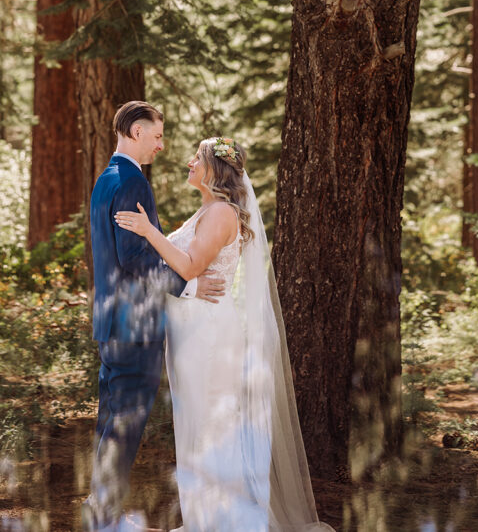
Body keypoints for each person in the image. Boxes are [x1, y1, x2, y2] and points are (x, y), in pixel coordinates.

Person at [115, 137, 333, 531]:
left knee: (211, 425)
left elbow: (191, 266)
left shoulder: (220, 214)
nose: (188, 161)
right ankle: (205, 518)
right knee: (197, 423)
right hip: (194, 328)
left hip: (209, 333)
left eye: (196, 158)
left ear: (214, 168)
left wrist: (148, 231)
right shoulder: (209, 209)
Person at [82, 101, 226, 532]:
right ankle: (105, 517)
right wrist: (190, 286)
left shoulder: (108, 178)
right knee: (124, 423)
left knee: (112, 419)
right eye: (158, 136)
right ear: (136, 132)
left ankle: (99, 505)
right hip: (134, 324)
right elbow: (134, 259)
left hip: (113, 321)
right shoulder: (131, 182)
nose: (162, 145)